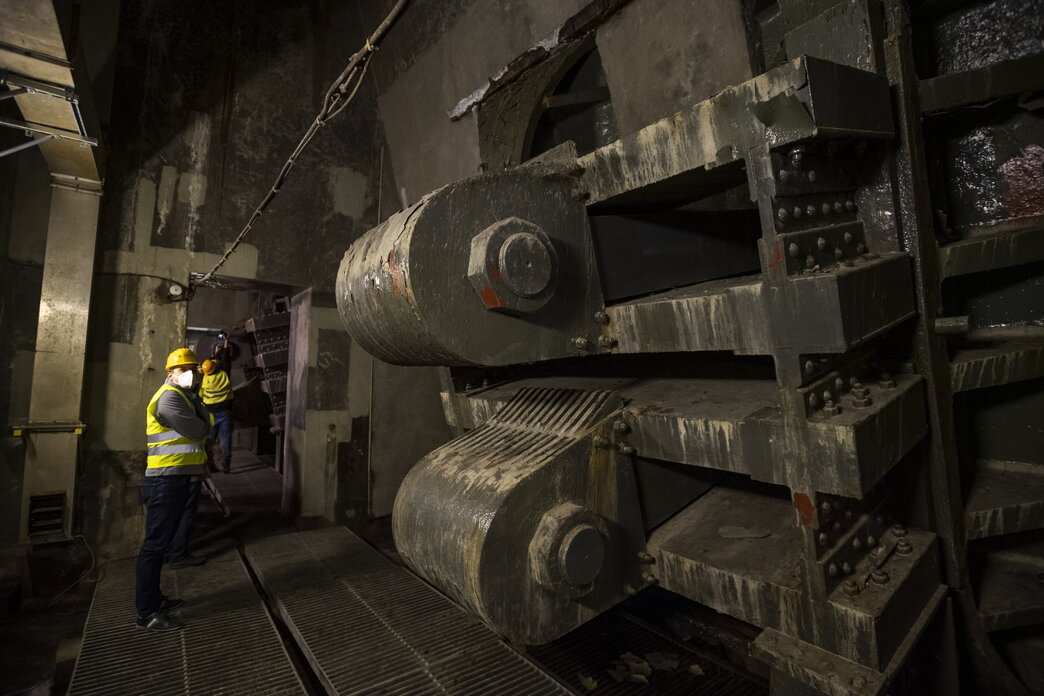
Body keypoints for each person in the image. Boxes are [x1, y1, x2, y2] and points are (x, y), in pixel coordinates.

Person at [135, 347, 212, 630]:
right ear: (171, 373)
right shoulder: (169, 399)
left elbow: (203, 426)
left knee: (161, 543)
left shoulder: (184, 396)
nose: (192, 375)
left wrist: (197, 404)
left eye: (194, 370)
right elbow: (201, 430)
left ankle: (155, 600)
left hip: (177, 477)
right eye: (184, 370)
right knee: (154, 546)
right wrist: (203, 419)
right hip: (166, 479)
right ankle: (146, 613)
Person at [200, 334, 234, 473]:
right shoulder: (224, 375)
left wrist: (214, 352)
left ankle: (209, 464)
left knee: (210, 439)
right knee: (226, 438)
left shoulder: (205, 378)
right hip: (225, 411)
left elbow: (209, 366)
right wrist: (225, 346)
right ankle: (226, 461)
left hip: (210, 413)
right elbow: (226, 363)